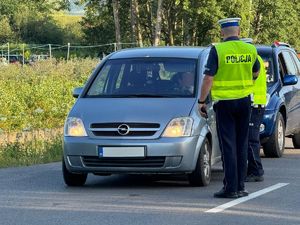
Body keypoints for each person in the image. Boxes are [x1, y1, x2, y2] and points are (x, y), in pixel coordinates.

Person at [198, 18, 260, 198]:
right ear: (239, 31)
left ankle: (230, 188)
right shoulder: (250, 49)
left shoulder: (217, 50)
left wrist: (202, 101)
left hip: (225, 103)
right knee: (242, 144)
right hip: (244, 102)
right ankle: (240, 186)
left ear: (221, 33)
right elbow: (256, 72)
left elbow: (208, 78)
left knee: (228, 146)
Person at [246, 54, 267, 182]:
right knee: (250, 139)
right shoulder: (257, 58)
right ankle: (252, 170)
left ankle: (256, 171)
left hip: (254, 104)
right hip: (255, 103)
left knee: (251, 139)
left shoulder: (252, 59)